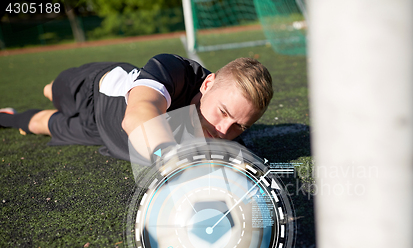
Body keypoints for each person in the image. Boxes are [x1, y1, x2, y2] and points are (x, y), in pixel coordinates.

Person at [0, 54, 273, 162]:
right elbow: (138, 114)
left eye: (240, 125)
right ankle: (51, 89)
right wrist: (172, 159)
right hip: (93, 90)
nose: (224, 129)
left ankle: (7, 117)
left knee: (38, 125)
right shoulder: (175, 70)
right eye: (223, 112)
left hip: (105, 131)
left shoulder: (225, 137)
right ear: (208, 84)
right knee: (52, 91)